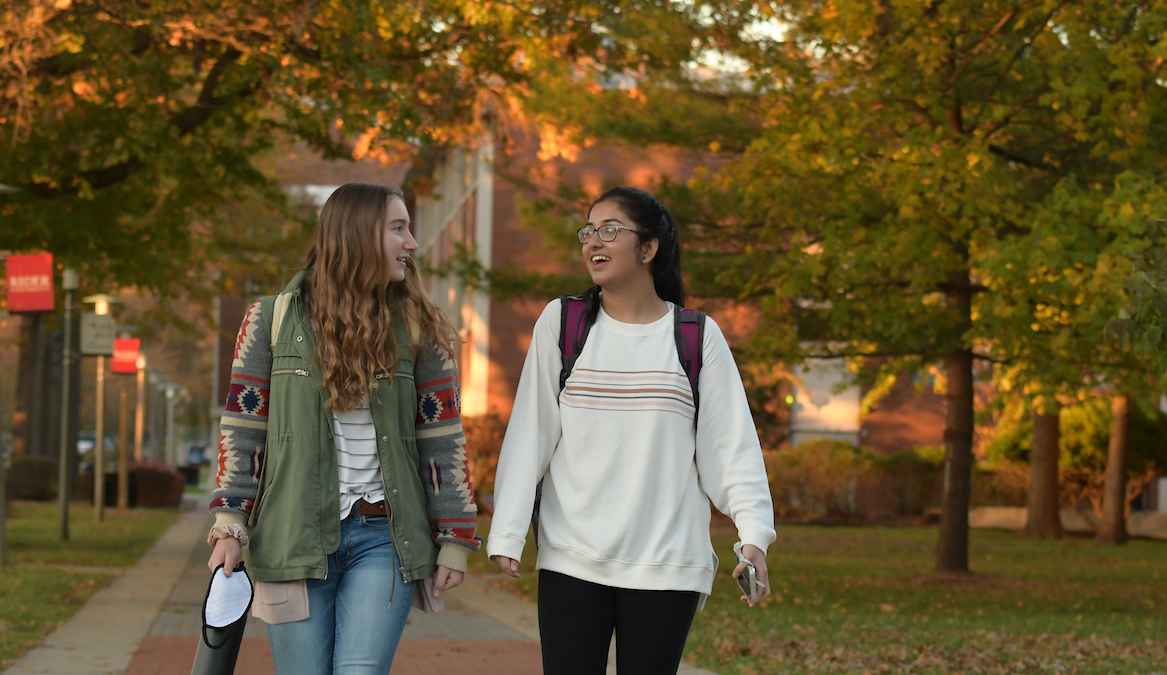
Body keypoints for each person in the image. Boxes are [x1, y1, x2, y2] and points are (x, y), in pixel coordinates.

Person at [487, 186, 776, 674]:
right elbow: (530, 434)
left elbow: (731, 448)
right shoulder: (563, 323)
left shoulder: (695, 337)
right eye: (589, 230)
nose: (593, 241)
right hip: (572, 556)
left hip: (667, 564)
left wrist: (753, 537)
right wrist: (508, 532)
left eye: (610, 230)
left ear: (648, 248)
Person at [206, 182, 481, 675]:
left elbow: (442, 439)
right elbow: (245, 428)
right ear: (357, 236)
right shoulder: (270, 320)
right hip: (293, 533)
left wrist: (456, 537)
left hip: (385, 534)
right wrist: (230, 522)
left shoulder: (419, 325)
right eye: (398, 229)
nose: (412, 244)